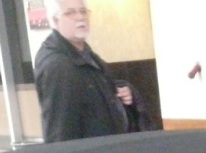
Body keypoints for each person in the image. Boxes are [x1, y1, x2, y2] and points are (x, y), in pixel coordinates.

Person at [35, 0, 154, 141]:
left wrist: (122, 90)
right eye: (70, 12)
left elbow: (94, 90)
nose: (80, 17)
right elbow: (60, 127)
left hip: (109, 148)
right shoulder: (57, 65)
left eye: (83, 11)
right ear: (55, 20)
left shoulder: (85, 54)